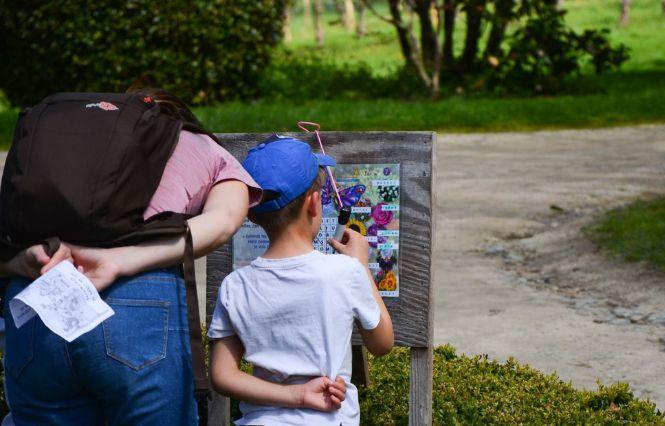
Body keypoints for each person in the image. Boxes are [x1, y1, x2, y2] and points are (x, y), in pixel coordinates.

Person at [0, 88, 345, 425]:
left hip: (37, 297)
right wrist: (122, 260)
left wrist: (20, 262)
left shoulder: (60, 148)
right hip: (136, 303)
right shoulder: (197, 144)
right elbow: (225, 221)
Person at [208, 138, 394, 425]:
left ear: (253, 215)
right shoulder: (344, 272)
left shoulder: (235, 285)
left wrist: (296, 394)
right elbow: (382, 343)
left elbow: (222, 375)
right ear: (315, 203)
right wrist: (361, 265)